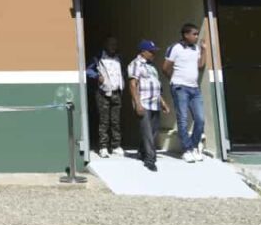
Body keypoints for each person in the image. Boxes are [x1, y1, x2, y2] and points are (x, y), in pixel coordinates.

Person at [163, 22, 208, 163]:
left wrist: (204, 50)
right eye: (194, 34)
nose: (196, 36)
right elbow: (165, 68)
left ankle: (194, 146)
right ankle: (187, 149)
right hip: (180, 88)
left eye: (196, 34)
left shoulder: (196, 48)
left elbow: (200, 66)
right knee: (182, 119)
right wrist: (175, 81)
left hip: (194, 89)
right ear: (186, 35)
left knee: (200, 119)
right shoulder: (175, 48)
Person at [127, 40, 169, 172]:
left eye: (154, 51)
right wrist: (137, 104)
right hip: (144, 103)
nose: (153, 54)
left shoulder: (152, 67)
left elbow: (156, 86)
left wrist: (163, 102)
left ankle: (142, 152)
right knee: (147, 133)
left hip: (155, 103)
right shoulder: (135, 64)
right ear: (143, 52)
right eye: (151, 51)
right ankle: (150, 160)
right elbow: (133, 85)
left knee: (153, 131)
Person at [85, 36, 124, 158]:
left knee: (116, 121)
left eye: (115, 44)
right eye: (111, 44)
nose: (113, 46)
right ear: (105, 45)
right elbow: (87, 70)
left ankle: (116, 146)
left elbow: (122, 72)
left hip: (116, 92)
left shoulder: (119, 58)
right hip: (103, 92)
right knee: (104, 121)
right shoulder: (98, 58)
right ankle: (103, 147)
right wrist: (97, 76)